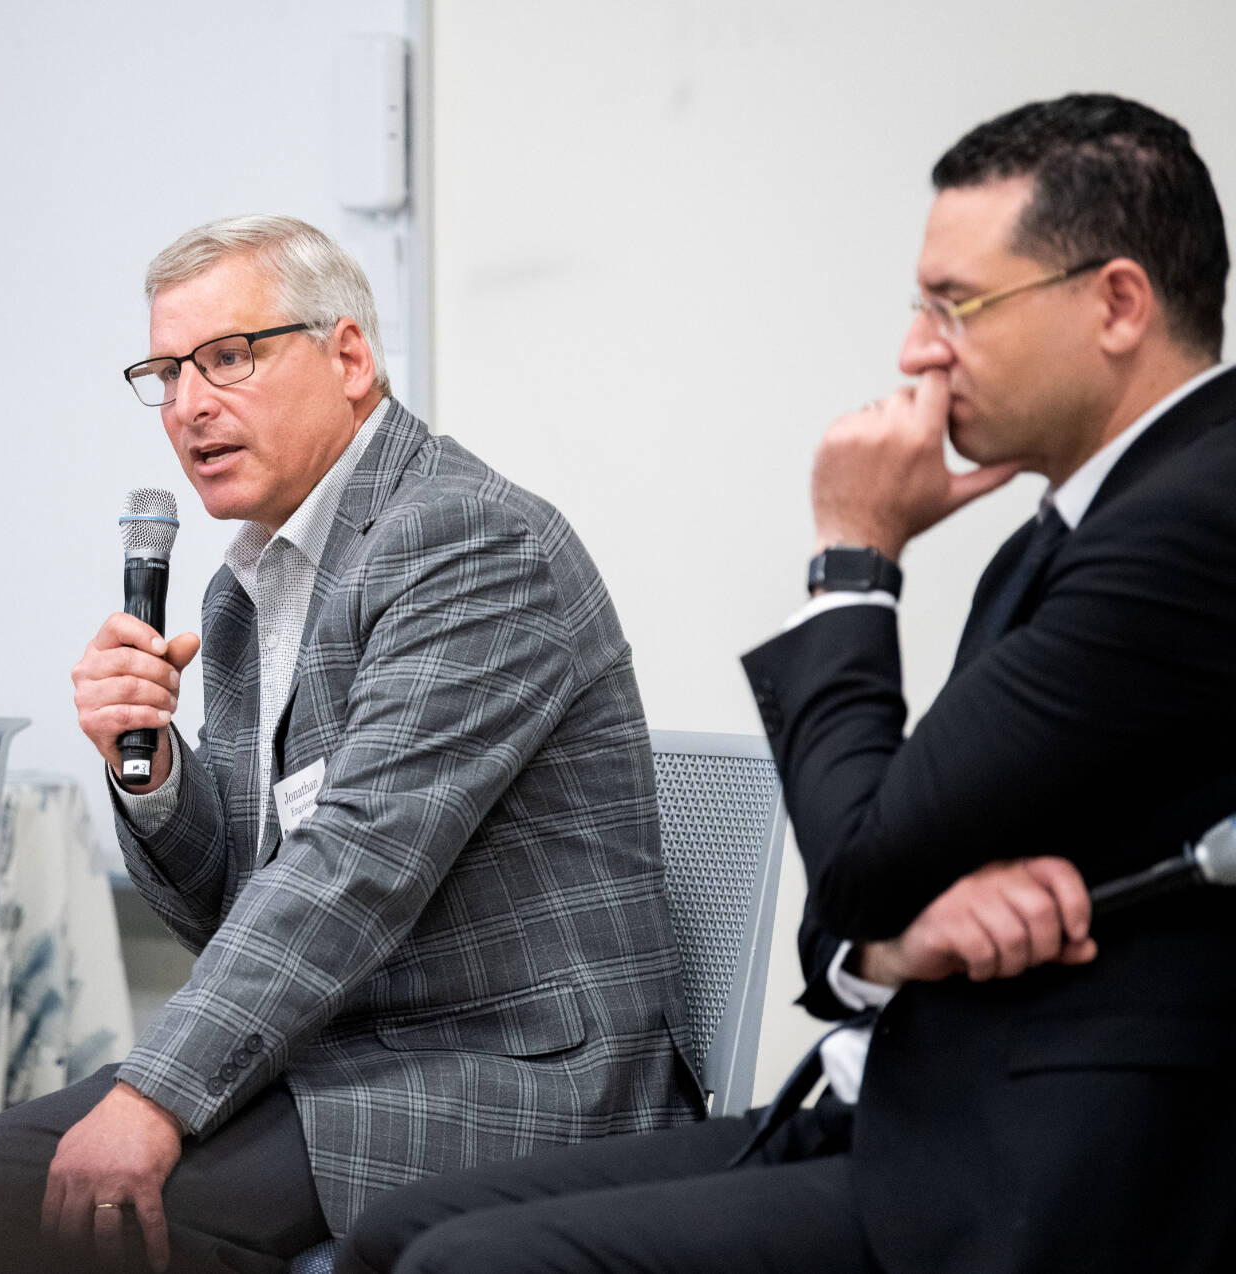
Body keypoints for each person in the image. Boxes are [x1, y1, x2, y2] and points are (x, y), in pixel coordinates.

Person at [344, 92, 1236, 1274]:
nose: (916, 351)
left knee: (466, 1264)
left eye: (956, 305)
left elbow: (860, 852)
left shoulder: (1190, 523)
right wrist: (893, 944)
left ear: (1116, 302)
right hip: (909, 1102)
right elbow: (860, 891)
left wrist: (852, 557)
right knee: (391, 1232)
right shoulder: (1068, 529)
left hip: (1033, 1169)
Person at [0, 215, 701, 1273]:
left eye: (228, 357)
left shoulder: (464, 538)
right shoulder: (245, 586)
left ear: (349, 357)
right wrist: (151, 767)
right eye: (165, 374)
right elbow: (232, 904)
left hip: (504, 1075)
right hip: (339, 1055)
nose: (189, 404)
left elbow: (354, 864)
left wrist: (154, 1094)